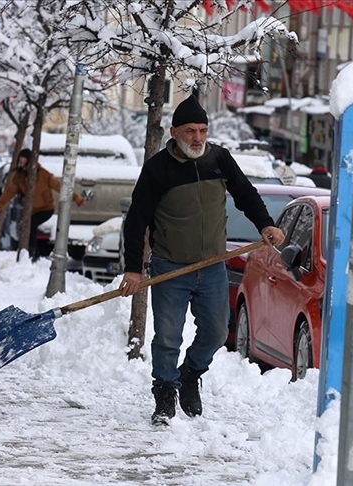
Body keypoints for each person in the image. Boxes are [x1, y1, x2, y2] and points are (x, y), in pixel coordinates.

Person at [119, 94, 285, 426]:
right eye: (190, 131)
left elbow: (246, 194)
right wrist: (134, 269)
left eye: (202, 130)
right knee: (168, 336)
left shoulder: (219, 159)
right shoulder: (157, 169)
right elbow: (137, 220)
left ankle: (190, 373)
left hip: (211, 266)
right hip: (170, 266)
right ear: (173, 132)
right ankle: (165, 391)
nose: (197, 137)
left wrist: (265, 223)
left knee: (216, 330)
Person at [0, 148, 85, 261]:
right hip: (31, 210)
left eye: (24, 163)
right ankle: (32, 253)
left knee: (31, 224)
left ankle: (32, 253)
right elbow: (9, 192)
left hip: (46, 209)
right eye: (20, 163)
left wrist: (77, 199)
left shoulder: (44, 175)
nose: (22, 166)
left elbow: (60, 188)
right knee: (27, 226)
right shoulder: (19, 177)